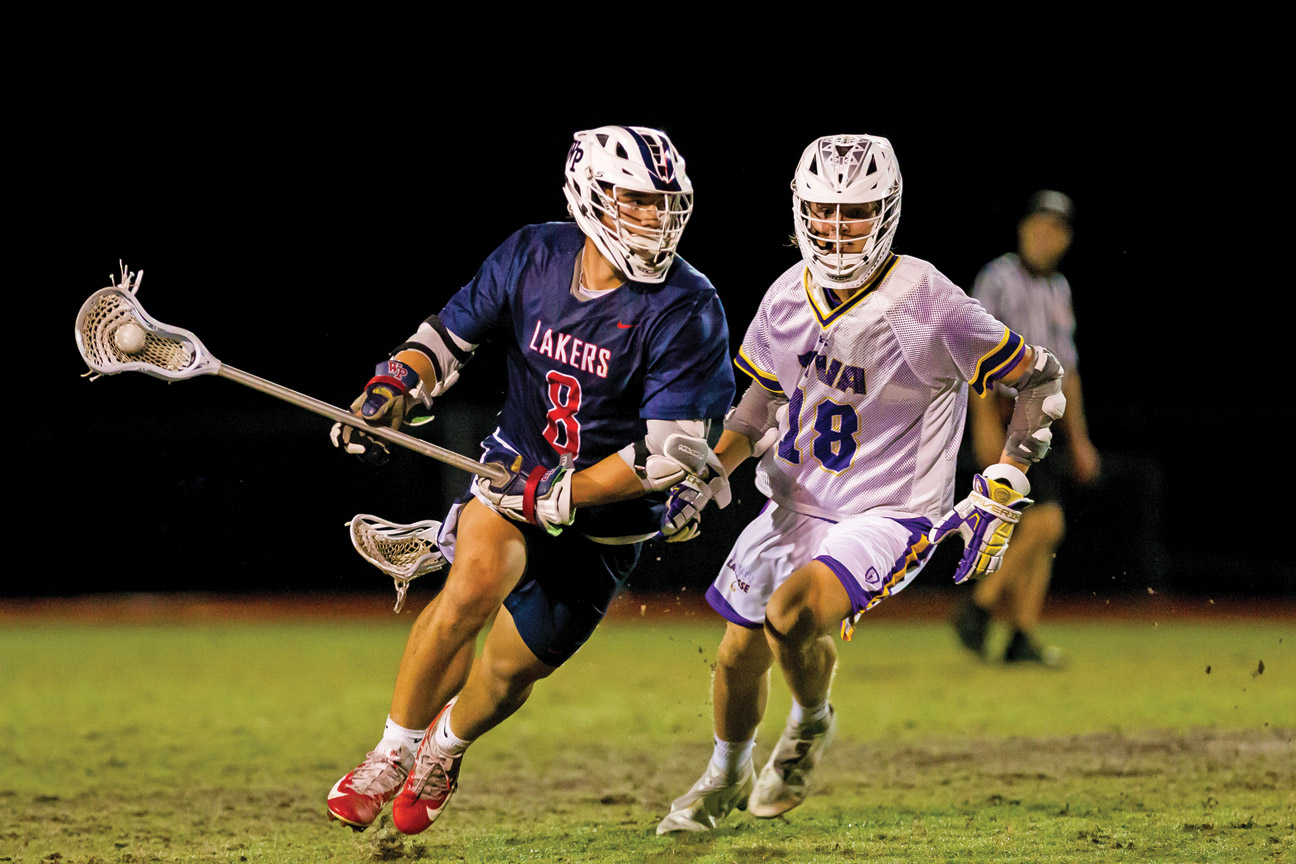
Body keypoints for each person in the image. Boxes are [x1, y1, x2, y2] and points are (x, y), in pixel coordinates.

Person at [324, 125, 735, 835]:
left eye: (665, 202)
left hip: (610, 521)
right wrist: (394, 387)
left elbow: (669, 454)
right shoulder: (533, 254)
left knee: (511, 670)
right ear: (589, 193)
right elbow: (444, 340)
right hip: (514, 475)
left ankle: (444, 747)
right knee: (470, 590)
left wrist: (566, 493)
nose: (655, 217)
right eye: (637, 200)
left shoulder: (687, 304)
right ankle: (389, 755)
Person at [655, 134, 1066, 833]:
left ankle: (810, 722)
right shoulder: (787, 294)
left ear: (887, 212)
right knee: (736, 654)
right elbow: (759, 405)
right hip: (795, 502)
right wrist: (711, 469)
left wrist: (1006, 478)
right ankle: (726, 773)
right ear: (800, 210)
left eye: (856, 212)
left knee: (791, 615)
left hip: (888, 510)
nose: (838, 227)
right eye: (824, 210)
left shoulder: (927, 299)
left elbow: (1041, 379)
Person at [951, 190, 1100, 666]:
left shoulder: (1059, 289)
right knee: (1044, 523)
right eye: (1038, 226)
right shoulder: (998, 278)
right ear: (1022, 230)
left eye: (1055, 229)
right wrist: (982, 425)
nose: (1044, 236)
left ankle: (1020, 635)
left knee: (1040, 532)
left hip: (1043, 419)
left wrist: (1080, 439)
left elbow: (1068, 371)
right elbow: (975, 352)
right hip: (1005, 413)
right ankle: (979, 606)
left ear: (1066, 239)